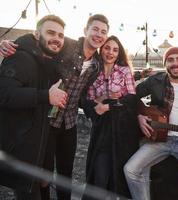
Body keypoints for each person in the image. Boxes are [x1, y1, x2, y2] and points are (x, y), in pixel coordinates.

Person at [0, 14, 110, 200]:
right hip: (48, 121)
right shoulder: (66, 45)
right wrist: (9, 43)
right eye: (95, 29)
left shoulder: (97, 64)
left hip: (70, 122)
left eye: (103, 32)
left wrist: (95, 105)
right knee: (44, 173)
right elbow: (37, 40)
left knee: (66, 172)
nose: (98, 35)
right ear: (85, 30)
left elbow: (82, 94)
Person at [123, 47, 178, 200]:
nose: (175, 63)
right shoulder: (156, 81)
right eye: (170, 60)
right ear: (165, 63)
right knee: (131, 169)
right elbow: (130, 96)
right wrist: (139, 116)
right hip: (159, 139)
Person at [0, 15, 67, 200]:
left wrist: (45, 166)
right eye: (51, 32)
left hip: (35, 153)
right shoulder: (20, 57)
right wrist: (46, 96)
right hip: (20, 155)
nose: (57, 38)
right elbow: (4, 94)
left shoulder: (46, 63)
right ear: (37, 35)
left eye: (61, 35)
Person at [81, 35, 140, 199]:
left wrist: (106, 105)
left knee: (119, 176)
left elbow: (131, 99)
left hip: (123, 128)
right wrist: (105, 99)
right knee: (100, 174)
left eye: (115, 50)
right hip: (102, 128)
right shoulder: (93, 70)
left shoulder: (124, 71)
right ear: (101, 48)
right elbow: (87, 100)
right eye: (107, 48)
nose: (111, 53)